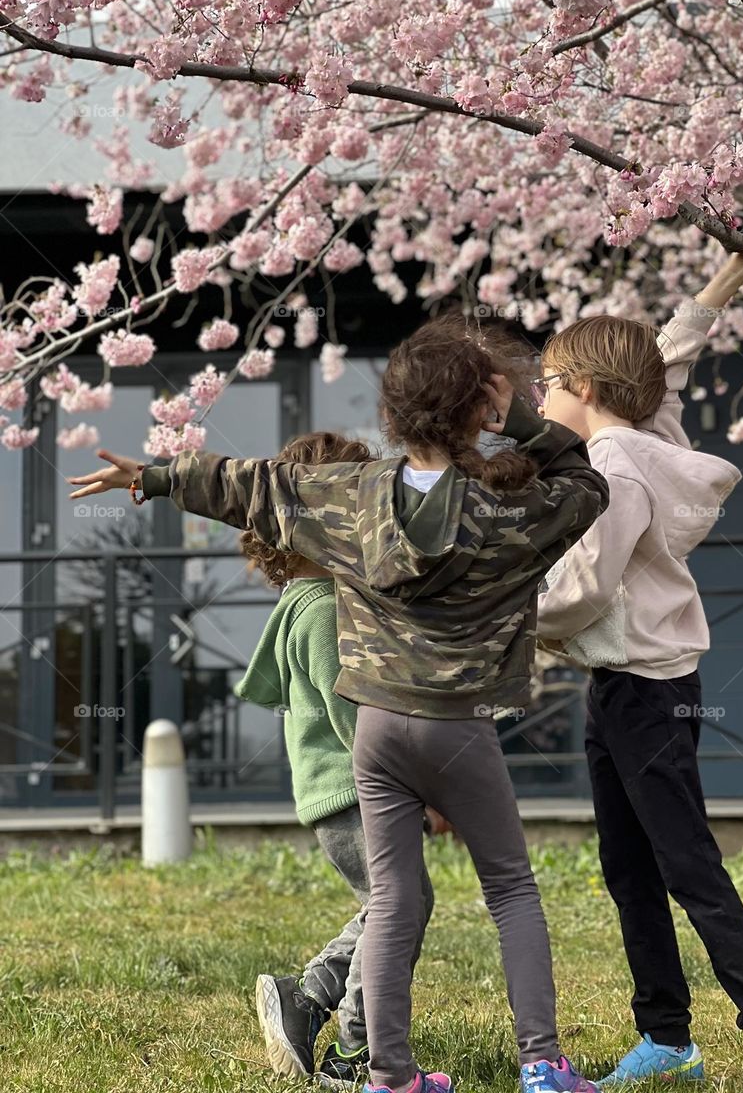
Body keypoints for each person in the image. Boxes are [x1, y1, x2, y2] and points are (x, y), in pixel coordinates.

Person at [67, 311, 610, 1093]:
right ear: (478, 412)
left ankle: (388, 1075)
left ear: (393, 411)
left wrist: (154, 477)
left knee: (391, 901)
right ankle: (543, 1064)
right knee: (512, 889)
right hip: (456, 727)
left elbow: (250, 486)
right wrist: (523, 422)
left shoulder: (347, 496)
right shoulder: (510, 515)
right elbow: (586, 488)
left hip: (377, 730)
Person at [534, 243, 743, 1093]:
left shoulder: (614, 468)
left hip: (642, 692)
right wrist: (724, 281)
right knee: (629, 867)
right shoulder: (646, 439)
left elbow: (585, 588)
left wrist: (502, 619)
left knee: (687, 866)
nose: (539, 397)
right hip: (627, 689)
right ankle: (666, 1037)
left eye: (548, 382)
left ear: (585, 388)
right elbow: (664, 365)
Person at [234, 430, 436, 1083]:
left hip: (346, 797)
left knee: (396, 905)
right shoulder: (323, 611)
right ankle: (353, 1052)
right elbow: (357, 723)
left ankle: (307, 1000)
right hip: (358, 795)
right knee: (398, 910)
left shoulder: (315, 603)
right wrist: (416, 789)